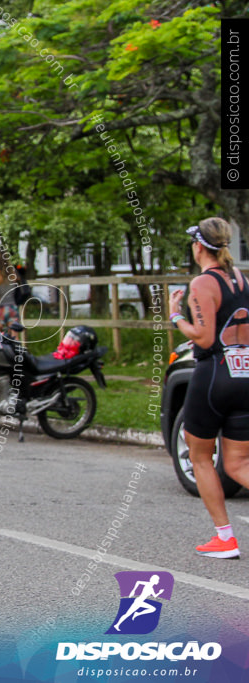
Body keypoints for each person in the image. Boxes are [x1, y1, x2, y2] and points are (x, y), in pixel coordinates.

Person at [169, 217, 249, 559]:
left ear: (199, 246)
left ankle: (225, 538)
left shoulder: (203, 283)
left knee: (199, 456)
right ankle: (223, 538)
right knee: (238, 463)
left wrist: (175, 316)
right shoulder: (243, 279)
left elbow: (203, 336)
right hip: (244, 370)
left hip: (214, 373)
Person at [0, 249, 21, 337]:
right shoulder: (13, 273)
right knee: (15, 337)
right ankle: (17, 350)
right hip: (12, 307)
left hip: (0, 308)